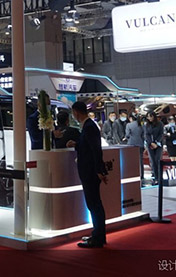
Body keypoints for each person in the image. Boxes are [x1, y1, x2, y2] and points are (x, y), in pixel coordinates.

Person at [66, 101, 108, 248]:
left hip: (90, 172)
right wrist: (77, 145)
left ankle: (98, 237)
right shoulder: (88, 126)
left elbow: (96, 150)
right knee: (94, 204)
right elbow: (89, 147)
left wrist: (99, 170)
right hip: (89, 171)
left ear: (76, 112)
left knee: (94, 204)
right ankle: (98, 234)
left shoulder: (89, 126)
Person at [144, 112, 164, 185]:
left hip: (158, 145)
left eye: (150, 116)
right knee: (152, 161)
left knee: (157, 160)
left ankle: (159, 177)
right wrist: (151, 143)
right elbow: (146, 135)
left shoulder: (160, 124)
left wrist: (157, 142)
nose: (149, 118)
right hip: (150, 145)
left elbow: (161, 134)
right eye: (148, 117)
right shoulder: (147, 125)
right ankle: (155, 177)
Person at [125, 113, 145, 181]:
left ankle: (133, 175)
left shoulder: (129, 125)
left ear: (130, 118)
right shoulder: (141, 125)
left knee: (132, 161)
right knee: (140, 161)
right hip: (140, 144)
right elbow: (143, 135)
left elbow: (127, 135)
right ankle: (141, 175)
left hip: (131, 145)